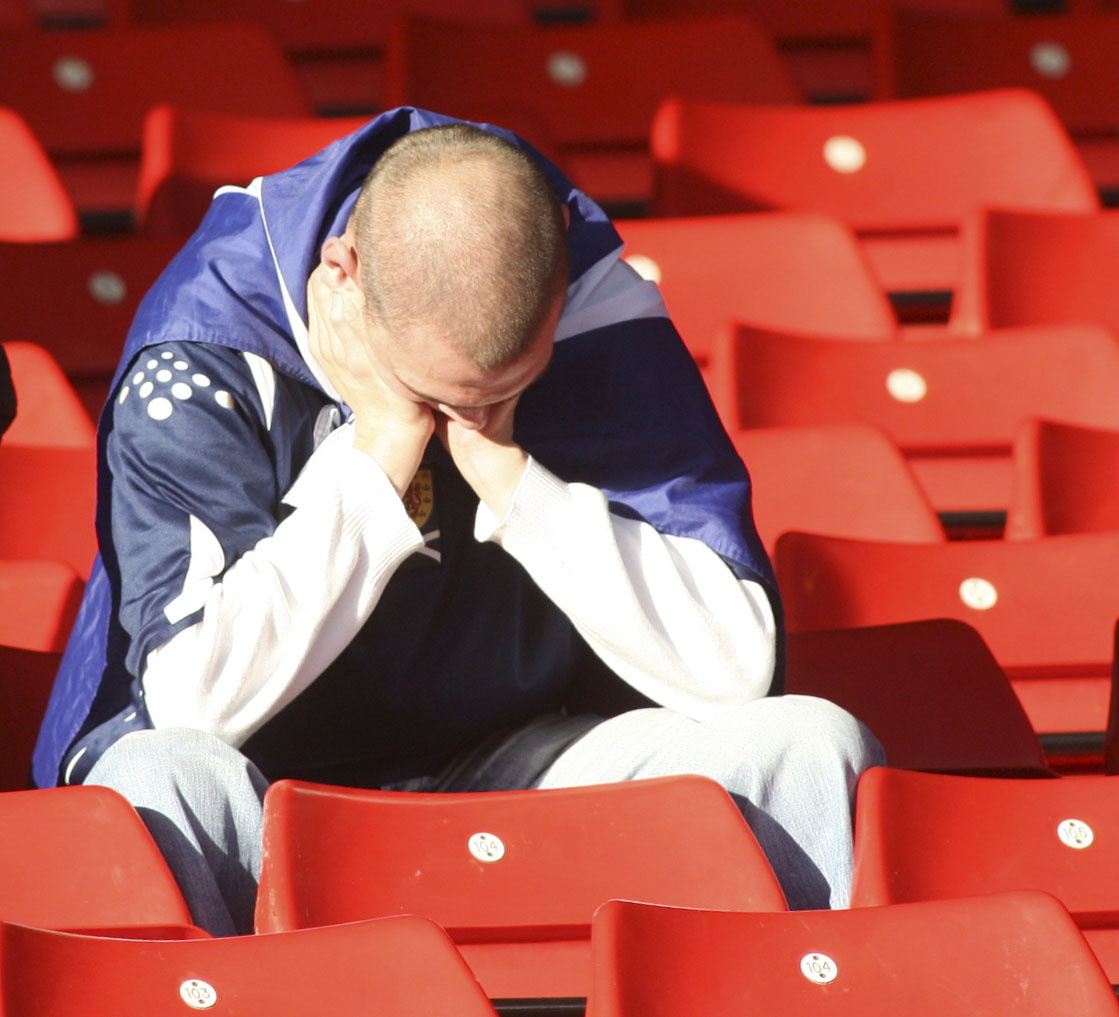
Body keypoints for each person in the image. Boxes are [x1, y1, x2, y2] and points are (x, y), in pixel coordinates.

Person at [33, 108, 883, 936]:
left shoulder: (591, 299)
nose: (469, 417)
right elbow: (195, 701)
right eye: (436, 396)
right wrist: (381, 447)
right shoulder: (203, 346)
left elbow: (733, 665)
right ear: (344, 272)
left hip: (514, 758)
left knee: (809, 742)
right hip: (274, 784)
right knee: (156, 777)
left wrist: (507, 473)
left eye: (512, 388)